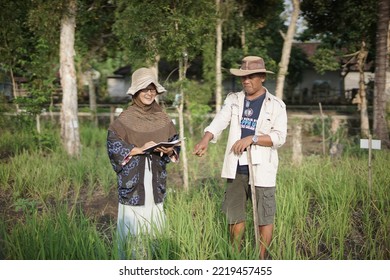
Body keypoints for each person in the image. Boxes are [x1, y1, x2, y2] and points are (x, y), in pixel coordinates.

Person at [193, 56, 287, 259]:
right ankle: (235, 257)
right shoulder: (234, 100)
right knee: (234, 215)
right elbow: (220, 120)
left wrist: (252, 139)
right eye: (243, 77)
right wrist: (206, 139)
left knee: (264, 215)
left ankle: (262, 260)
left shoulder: (276, 105)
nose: (246, 81)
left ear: (262, 77)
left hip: (262, 168)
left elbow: (279, 138)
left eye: (251, 76)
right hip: (236, 166)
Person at [107, 67, 180, 259]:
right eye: (144, 89)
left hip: (155, 179)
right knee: (132, 222)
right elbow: (113, 144)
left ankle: (154, 260)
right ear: (136, 92)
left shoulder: (163, 118)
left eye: (152, 89)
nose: (149, 93)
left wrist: (170, 150)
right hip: (133, 181)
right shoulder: (125, 119)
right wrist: (138, 149)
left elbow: (175, 141)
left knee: (154, 218)